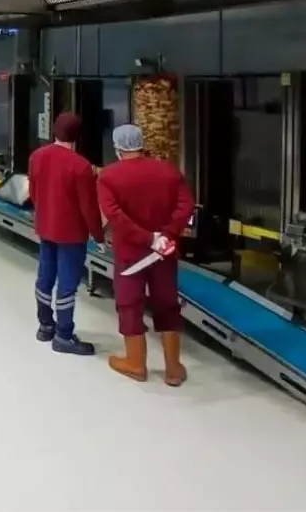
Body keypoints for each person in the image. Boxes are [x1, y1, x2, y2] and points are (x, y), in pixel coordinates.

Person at [97, 124, 196, 385]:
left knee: (129, 303)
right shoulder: (169, 171)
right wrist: (166, 234)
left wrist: (147, 238)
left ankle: (135, 363)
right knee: (167, 303)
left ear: (118, 148)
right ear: (142, 144)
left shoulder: (108, 176)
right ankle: (173, 369)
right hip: (164, 251)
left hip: (130, 253)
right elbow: (186, 205)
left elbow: (115, 216)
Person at [28, 112, 103, 356]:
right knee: (67, 284)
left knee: (45, 276)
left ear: (54, 131)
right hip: (71, 234)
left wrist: (44, 214)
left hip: (45, 227)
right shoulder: (81, 166)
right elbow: (88, 207)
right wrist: (99, 236)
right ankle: (64, 335)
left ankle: (45, 326)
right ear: (77, 136)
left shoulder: (37, 156)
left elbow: (34, 192)